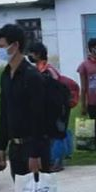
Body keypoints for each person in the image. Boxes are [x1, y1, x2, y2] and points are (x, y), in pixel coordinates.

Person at [0, 24, 56, 192]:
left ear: (15, 45)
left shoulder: (32, 76)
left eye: (1, 46)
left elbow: (39, 117)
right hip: (15, 145)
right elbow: (4, 112)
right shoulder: (5, 74)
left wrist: (36, 152)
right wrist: (1, 145)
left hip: (33, 146)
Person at [28, 42, 72, 172]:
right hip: (47, 107)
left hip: (56, 107)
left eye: (31, 53)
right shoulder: (40, 70)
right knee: (50, 134)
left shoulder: (48, 71)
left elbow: (55, 92)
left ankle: (57, 161)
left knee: (56, 134)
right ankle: (51, 159)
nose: (29, 56)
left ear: (38, 54)